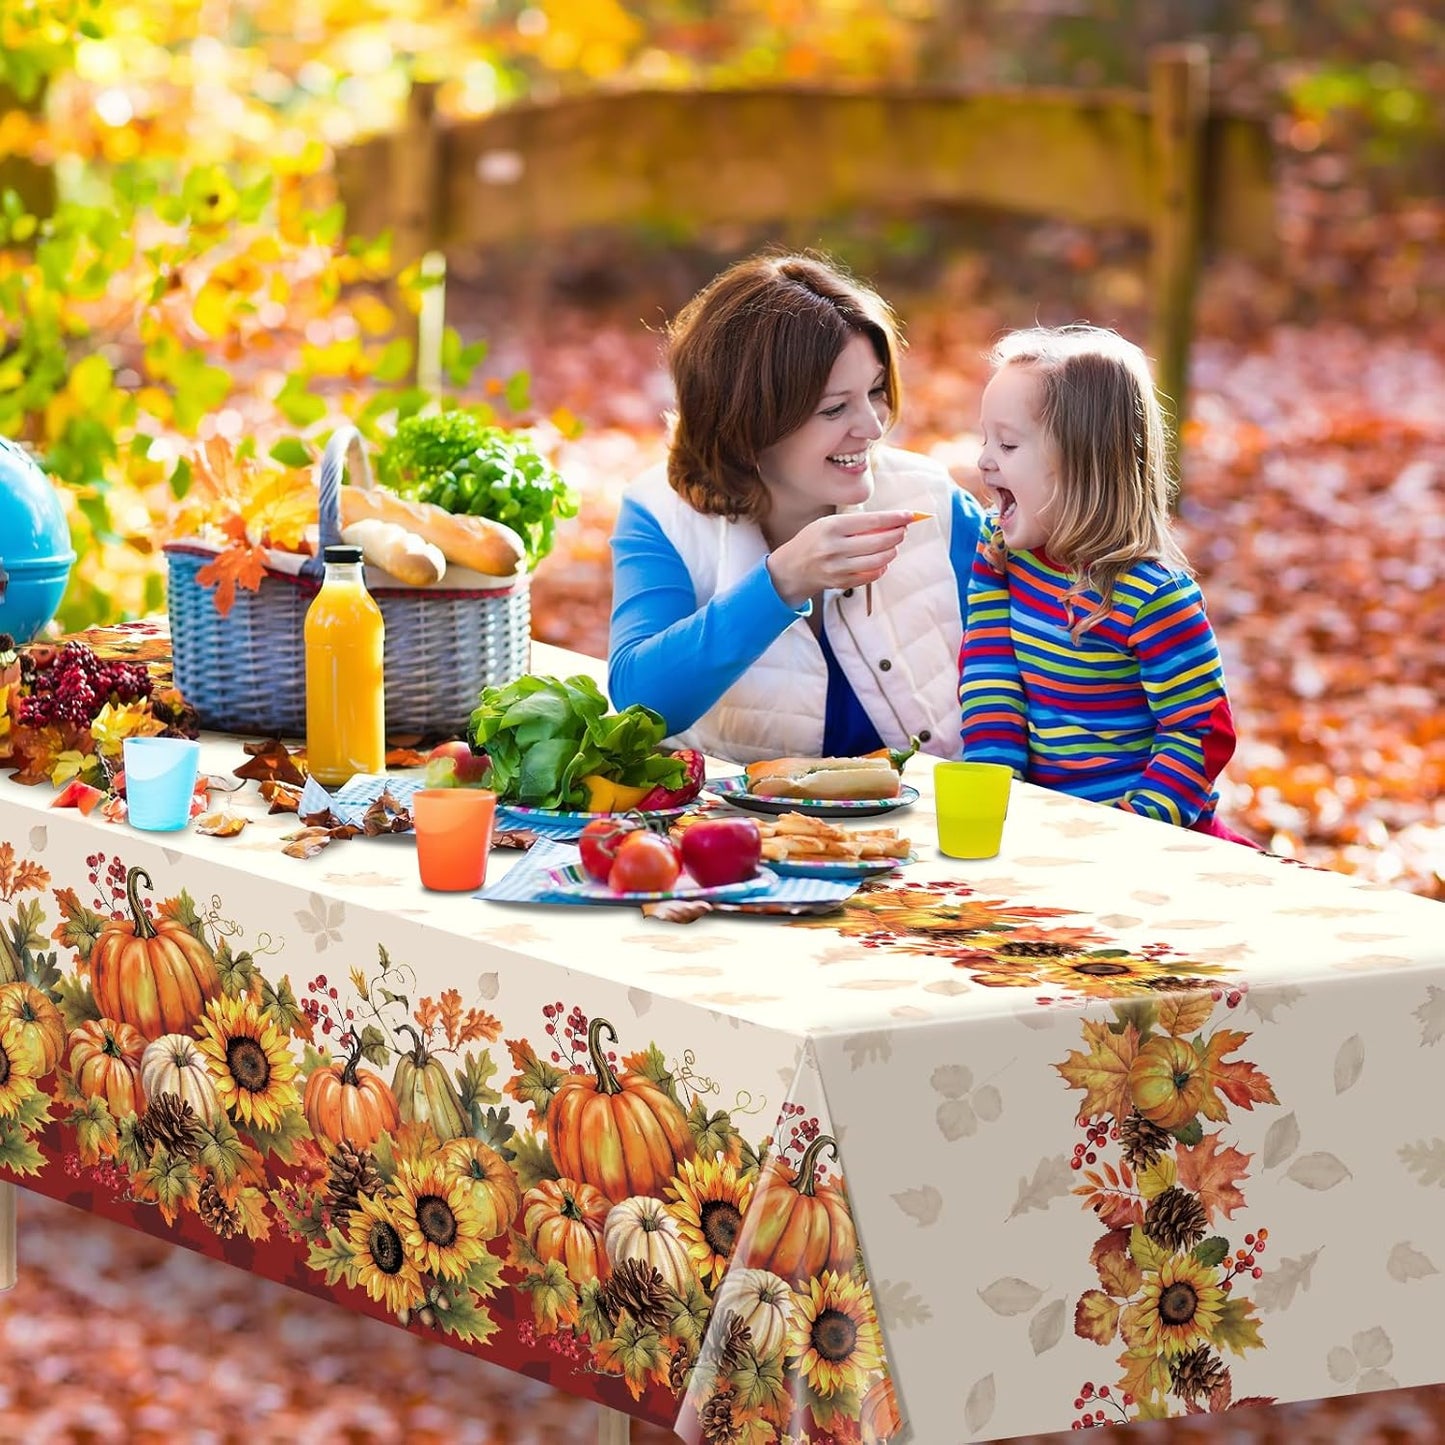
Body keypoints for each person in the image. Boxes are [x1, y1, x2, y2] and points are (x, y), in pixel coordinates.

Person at [607, 251, 986, 765]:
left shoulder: (933, 500)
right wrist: (780, 583)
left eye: (875, 391)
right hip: (741, 813)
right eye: (835, 408)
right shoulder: (660, 514)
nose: (873, 426)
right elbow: (640, 704)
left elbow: (1029, 669)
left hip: (934, 811)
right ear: (747, 423)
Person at [958, 324, 1255, 844]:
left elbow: (1199, 731)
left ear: (1084, 465)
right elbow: (991, 674)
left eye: (1007, 444)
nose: (984, 459)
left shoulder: (1153, 597)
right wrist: (998, 793)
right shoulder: (1001, 552)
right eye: (986, 439)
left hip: (1152, 839)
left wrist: (1130, 828)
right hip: (1047, 833)